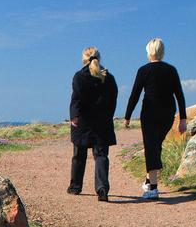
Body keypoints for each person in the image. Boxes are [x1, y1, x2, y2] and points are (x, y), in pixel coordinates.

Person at [124, 38, 187, 200]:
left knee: (151, 147)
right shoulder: (171, 70)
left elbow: (135, 95)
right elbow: (179, 94)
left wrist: (127, 116)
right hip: (167, 114)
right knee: (155, 146)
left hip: (150, 114)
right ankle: (148, 180)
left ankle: (153, 189)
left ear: (148, 52)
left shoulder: (143, 70)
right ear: (162, 52)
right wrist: (182, 119)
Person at [68, 46, 118, 201]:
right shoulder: (108, 77)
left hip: (83, 121)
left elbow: (76, 98)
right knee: (101, 155)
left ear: (84, 58)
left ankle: (75, 187)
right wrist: (109, 116)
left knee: (79, 155)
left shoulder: (79, 76)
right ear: (99, 58)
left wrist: (74, 116)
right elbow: (113, 99)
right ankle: (102, 188)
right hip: (102, 122)